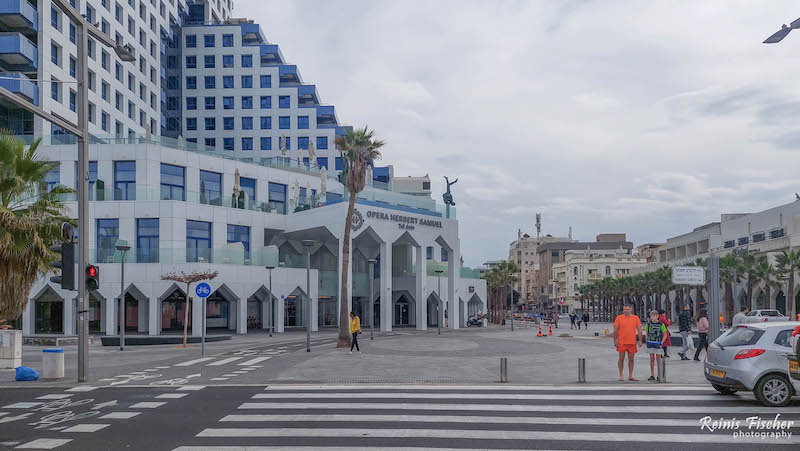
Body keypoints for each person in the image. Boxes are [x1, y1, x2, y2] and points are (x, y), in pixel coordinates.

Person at [613, 303, 642, 382]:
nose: (625, 311)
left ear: (631, 309)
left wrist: (640, 340)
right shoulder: (619, 318)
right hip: (622, 342)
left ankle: (630, 375)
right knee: (621, 358)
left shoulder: (635, 318)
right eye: (624, 309)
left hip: (632, 342)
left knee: (631, 359)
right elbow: (615, 330)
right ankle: (621, 374)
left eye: (627, 309)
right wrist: (615, 340)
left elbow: (639, 329)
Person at [643, 310, 669, 381]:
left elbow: (665, 334)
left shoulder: (661, 324)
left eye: (653, 316)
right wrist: (647, 340)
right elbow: (646, 333)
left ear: (657, 316)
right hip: (650, 342)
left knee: (658, 358)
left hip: (657, 343)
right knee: (651, 358)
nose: (652, 318)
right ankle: (652, 374)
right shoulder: (648, 324)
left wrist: (662, 342)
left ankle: (659, 374)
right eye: (651, 316)